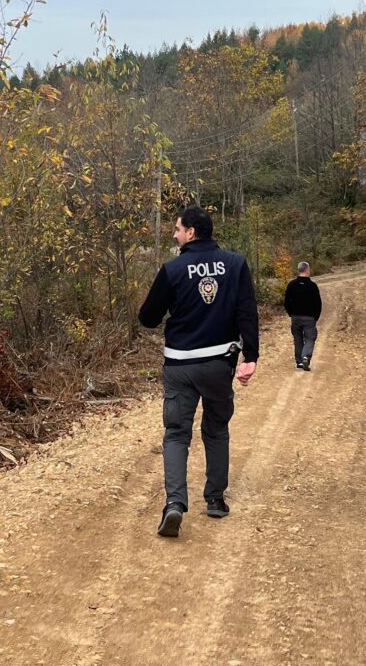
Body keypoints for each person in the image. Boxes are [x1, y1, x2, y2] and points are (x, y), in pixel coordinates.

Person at [139, 206, 259, 538]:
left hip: (180, 365)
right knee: (216, 429)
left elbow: (148, 318)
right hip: (220, 363)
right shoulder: (235, 264)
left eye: (177, 230)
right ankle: (216, 500)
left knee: (177, 434)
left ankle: (175, 505)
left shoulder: (173, 269)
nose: (175, 235)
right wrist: (251, 355)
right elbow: (247, 311)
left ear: (191, 232)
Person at [282, 261, 322, 371]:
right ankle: (305, 356)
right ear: (307, 270)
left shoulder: (291, 285)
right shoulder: (312, 286)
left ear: (299, 270)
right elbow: (318, 303)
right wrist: (315, 317)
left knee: (297, 338)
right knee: (310, 338)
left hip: (295, 317)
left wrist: (291, 313)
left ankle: (299, 362)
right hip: (309, 318)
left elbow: (286, 302)